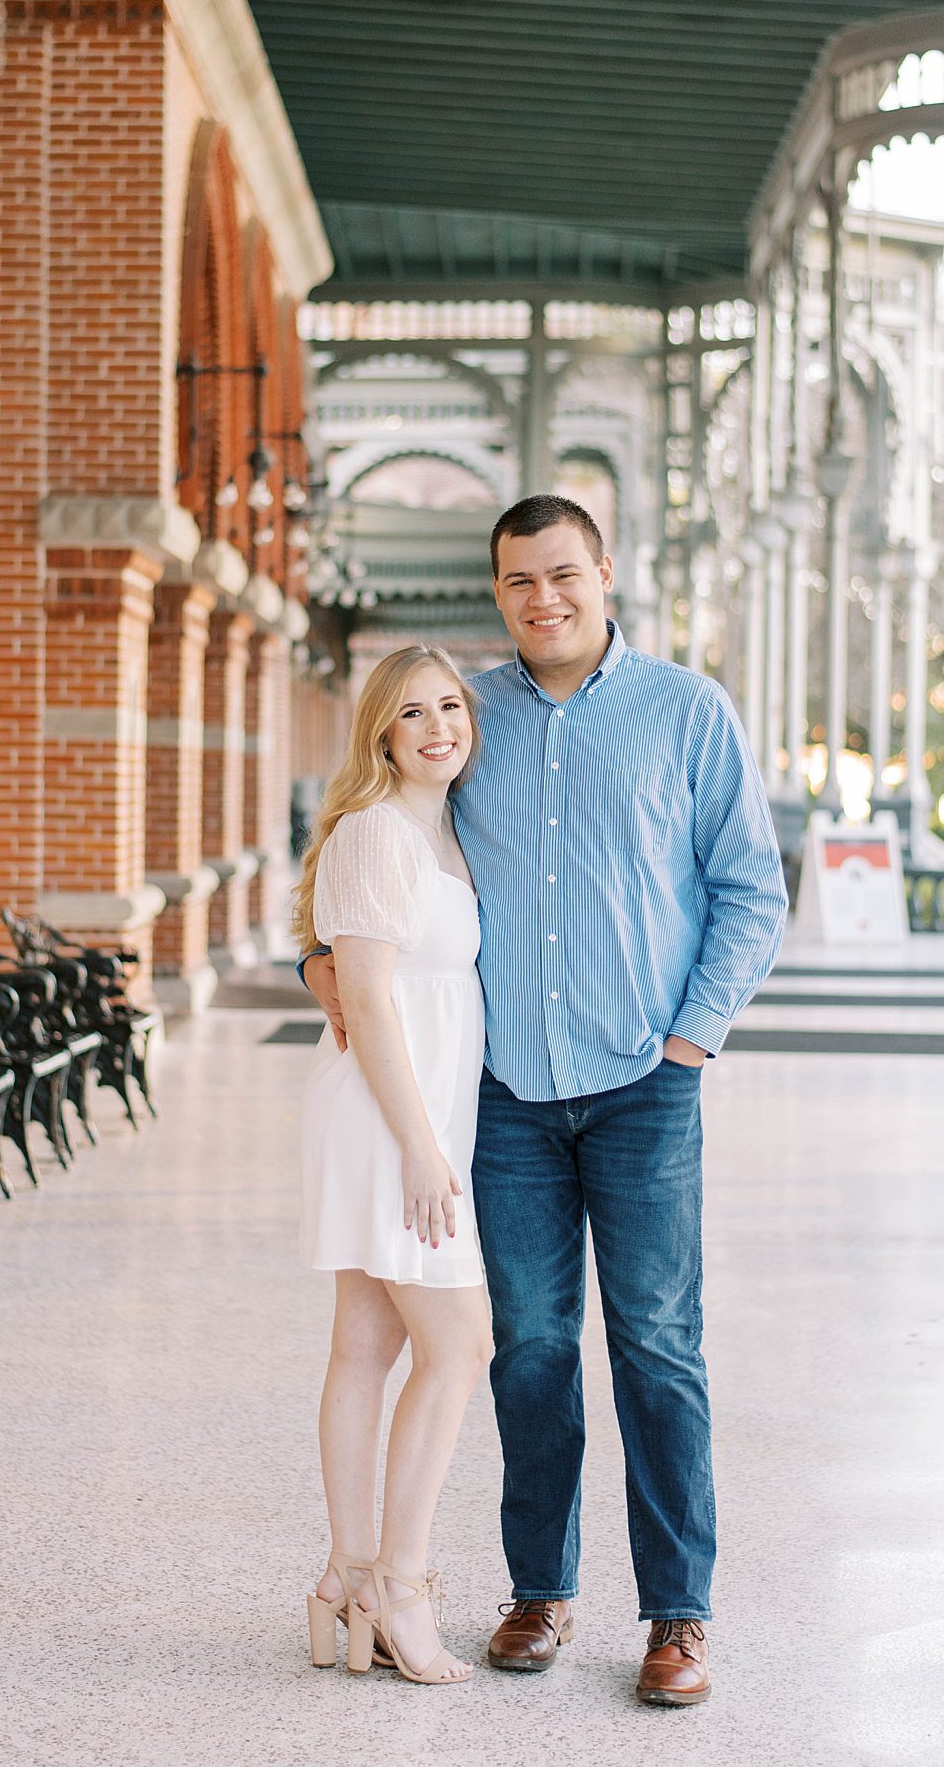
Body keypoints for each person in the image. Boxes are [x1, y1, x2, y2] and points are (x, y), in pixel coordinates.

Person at [304, 494, 787, 1706]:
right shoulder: (464, 718)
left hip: (642, 1085)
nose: (544, 599)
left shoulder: (687, 712)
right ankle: (539, 1588)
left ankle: (679, 1617)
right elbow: (371, 858)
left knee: (658, 1347)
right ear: (500, 591)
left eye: (563, 574)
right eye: (519, 581)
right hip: (505, 1101)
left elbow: (750, 888)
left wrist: (691, 1036)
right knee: (525, 1350)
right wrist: (324, 970)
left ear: (606, 573)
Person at [294, 644, 493, 1687]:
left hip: (416, 1113)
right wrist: (421, 1147)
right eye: (412, 711)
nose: (437, 726)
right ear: (381, 730)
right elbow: (365, 997)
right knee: (461, 1342)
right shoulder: (377, 831)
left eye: (452, 705)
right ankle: (399, 1583)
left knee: (367, 1343)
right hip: (387, 1118)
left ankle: (345, 1574)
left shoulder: (441, 829)